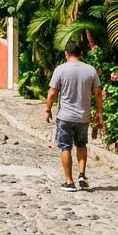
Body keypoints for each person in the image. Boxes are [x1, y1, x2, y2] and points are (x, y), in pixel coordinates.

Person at [44, 39, 105, 191]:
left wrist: (48, 110)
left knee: (65, 148)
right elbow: (98, 93)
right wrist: (99, 112)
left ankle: (69, 182)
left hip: (65, 116)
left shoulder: (61, 69)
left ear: (66, 54)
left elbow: (52, 93)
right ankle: (82, 174)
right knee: (82, 145)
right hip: (83, 116)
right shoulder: (90, 70)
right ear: (81, 54)